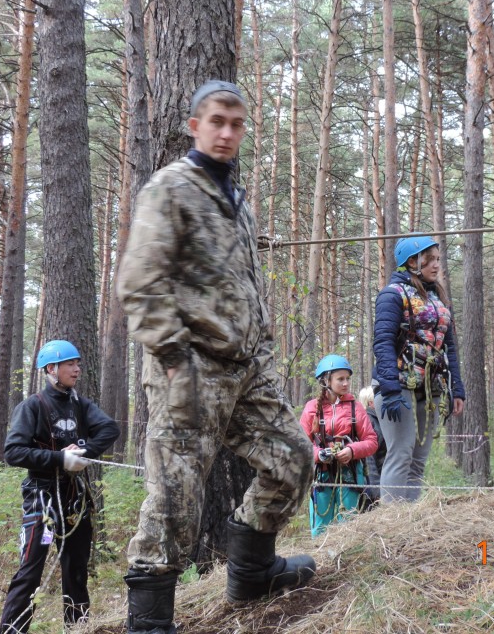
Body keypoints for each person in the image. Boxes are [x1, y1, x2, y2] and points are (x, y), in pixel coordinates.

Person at [116, 80, 315, 634]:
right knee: (175, 496)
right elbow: (138, 283)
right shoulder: (170, 188)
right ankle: (149, 622)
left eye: (236, 124)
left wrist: (261, 346)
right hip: (190, 368)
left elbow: (240, 282)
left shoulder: (237, 200)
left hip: (246, 367)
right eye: (216, 122)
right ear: (194, 126)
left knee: (293, 458)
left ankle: (251, 572)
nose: (227, 133)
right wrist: (174, 360)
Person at [0, 339, 120, 634]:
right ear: (51, 369)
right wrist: (60, 459)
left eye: (78, 364)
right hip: (42, 500)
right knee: (30, 573)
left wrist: (85, 452)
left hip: (74, 499)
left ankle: (77, 630)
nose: (77, 369)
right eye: (70, 364)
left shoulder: (80, 405)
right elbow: (13, 452)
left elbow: (110, 429)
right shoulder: (33, 406)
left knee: (76, 571)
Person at [372, 235, 465, 503]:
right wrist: (390, 388)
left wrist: (457, 389)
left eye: (438, 259)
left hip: (432, 387)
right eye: (430, 259)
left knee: (418, 460)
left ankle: (410, 517)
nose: (436, 265)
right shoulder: (392, 294)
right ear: (412, 262)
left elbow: (449, 347)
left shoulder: (438, 298)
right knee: (400, 454)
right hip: (398, 386)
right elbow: (382, 342)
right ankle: (392, 520)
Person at [300, 355, 378, 535]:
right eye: (340, 379)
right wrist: (318, 454)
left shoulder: (355, 407)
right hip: (322, 474)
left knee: (349, 527)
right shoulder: (312, 408)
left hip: (350, 474)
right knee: (320, 527)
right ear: (326, 381)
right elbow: (300, 444)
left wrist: (352, 450)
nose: (346, 383)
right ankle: (320, 553)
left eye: (347, 379)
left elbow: (371, 441)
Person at [357, 386, 386, 506]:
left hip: (381, 483)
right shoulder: (369, 422)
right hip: (371, 491)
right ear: (371, 403)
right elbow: (369, 461)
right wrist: (376, 492)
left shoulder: (378, 420)